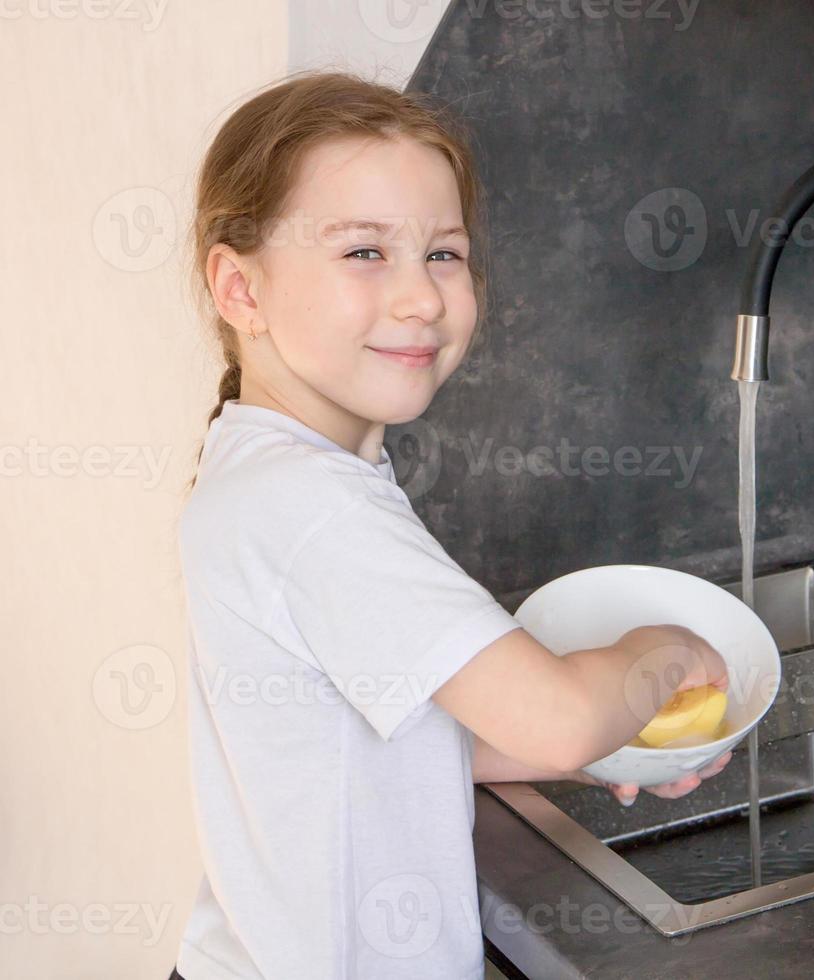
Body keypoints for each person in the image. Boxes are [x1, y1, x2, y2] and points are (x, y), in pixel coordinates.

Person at [169, 69, 733, 979]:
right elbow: (553, 716)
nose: (422, 297)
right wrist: (661, 652)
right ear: (241, 289)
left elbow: (373, 733)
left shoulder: (277, 473)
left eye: (443, 253)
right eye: (363, 253)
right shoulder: (312, 505)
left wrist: (604, 746)